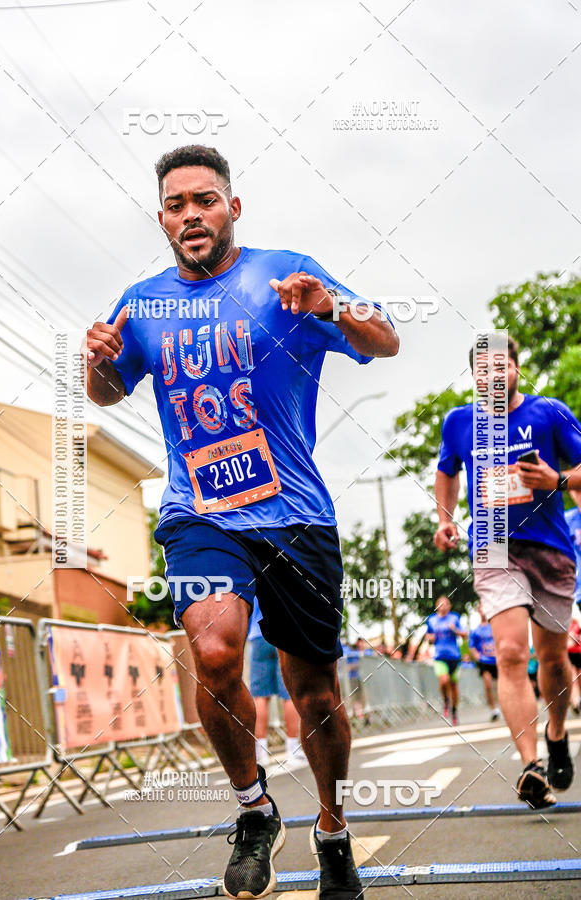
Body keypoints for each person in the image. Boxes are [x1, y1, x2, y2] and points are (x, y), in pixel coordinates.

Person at [85, 144, 399, 899]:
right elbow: (105, 393)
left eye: (203, 199)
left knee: (315, 691)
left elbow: (385, 337)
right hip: (200, 513)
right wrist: (94, 363)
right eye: (174, 204)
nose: (190, 214)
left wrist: (332, 306)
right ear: (161, 218)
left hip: (294, 516)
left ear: (232, 207)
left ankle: (331, 829)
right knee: (217, 651)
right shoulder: (144, 302)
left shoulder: (284, 273)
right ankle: (254, 808)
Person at [434, 335, 581, 808]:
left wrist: (556, 480)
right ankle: (531, 765)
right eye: (483, 370)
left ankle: (556, 734)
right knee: (512, 653)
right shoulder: (459, 423)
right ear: (474, 377)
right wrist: (445, 518)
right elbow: (447, 470)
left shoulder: (549, 413)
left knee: (553, 660)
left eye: (502, 367)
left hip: (551, 548)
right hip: (494, 546)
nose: (493, 377)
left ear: (517, 369)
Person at [248, 598, 307, 768]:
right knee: (288, 693)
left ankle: (261, 753)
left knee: (260, 696)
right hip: (284, 630)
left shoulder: (253, 571)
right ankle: (292, 750)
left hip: (258, 635)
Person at [425, 596, 467, 725]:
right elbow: (428, 636)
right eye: (440, 604)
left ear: (449, 606)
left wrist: (454, 629)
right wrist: (431, 638)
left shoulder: (454, 618)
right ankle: (445, 701)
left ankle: (454, 711)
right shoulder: (431, 620)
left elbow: (464, 634)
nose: (443, 607)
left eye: (446, 604)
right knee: (444, 681)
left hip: (454, 656)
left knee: (453, 685)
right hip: (439, 656)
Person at [468, 605, 500, 721]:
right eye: (480, 609)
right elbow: (471, 647)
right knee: (487, 685)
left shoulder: (496, 626)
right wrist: (477, 656)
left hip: (497, 661)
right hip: (484, 661)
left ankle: (504, 706)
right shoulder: (475, 631)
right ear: (478, 611)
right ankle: (494, 709)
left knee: (500, 686)